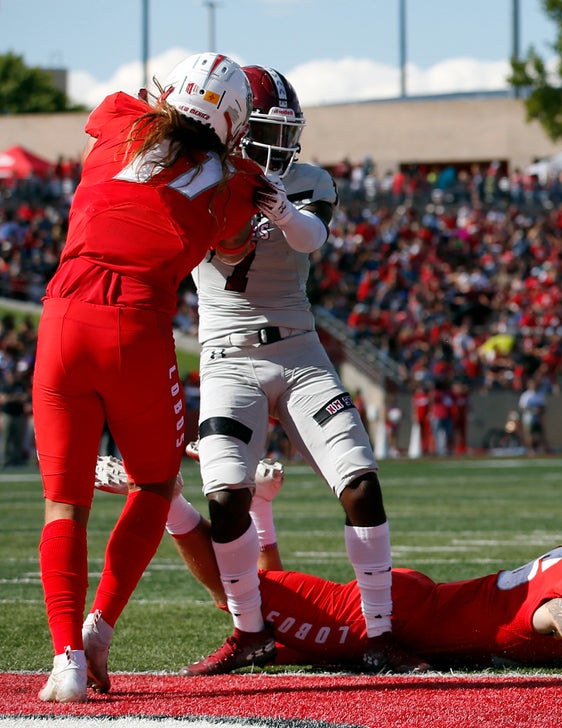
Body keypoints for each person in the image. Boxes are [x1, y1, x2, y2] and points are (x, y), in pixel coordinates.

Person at [93, 463, 562, 677]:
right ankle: (162, 491)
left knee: (277, 622)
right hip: (399, 620)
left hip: (416, 611)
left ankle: (261, 510)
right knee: (234, 597)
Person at [32, 52, 264, 703]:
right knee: (156, 483)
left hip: (61, 320)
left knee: (64, 504)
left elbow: (115, 130)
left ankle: (65, 660)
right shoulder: (236, 182)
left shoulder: (120, 119)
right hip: (134, 326)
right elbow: (235, 245)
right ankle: (99, 629)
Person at [184, 65, 427, 677]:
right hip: (227, 358)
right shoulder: (194, 179)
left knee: (360, 481)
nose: (281, 143)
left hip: (299, 352)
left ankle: (380, 634)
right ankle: (249, 632)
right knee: (226, 497)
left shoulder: (307, 181)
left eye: (287, 131)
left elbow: (310, 237)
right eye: (268, 129)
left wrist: (280, 208)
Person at [518, 378, 548, 454]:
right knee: (529, 434)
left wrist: (539, 410)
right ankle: (530, 450)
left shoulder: (540, 395)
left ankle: (541, 449)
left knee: (540, 434)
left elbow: (544, 407)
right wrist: (531, 410)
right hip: (528, 418)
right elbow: (521, 407)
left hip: (539, 418)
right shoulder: (525, 395)